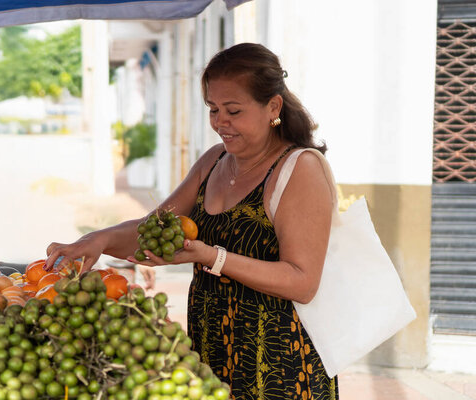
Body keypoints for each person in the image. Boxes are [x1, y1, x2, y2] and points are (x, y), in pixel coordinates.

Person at [46, 43, 337, 399]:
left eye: (233, 110)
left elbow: (303, 282)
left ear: (273, 106)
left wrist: (211, 257)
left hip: (279, 367)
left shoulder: (299, 168)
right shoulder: (214, 161)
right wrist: (98, 240)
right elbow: (153, 230)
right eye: (213, 109)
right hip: (212, 354)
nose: (220, 122)